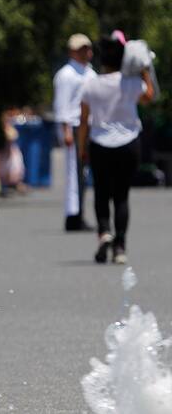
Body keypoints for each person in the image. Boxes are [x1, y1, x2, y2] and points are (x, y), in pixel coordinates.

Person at [78, 36, 154, 264]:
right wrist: (144, 71)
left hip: (100, 144)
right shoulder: (130, 83)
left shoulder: (91, 84)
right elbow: (149, 96)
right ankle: (120, 246)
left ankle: (104, 232)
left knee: (101, 191)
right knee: (121, 195)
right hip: (129, 143)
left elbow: (84, 120)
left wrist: (83, 147)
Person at [53, 34, 97, 231]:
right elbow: (62, 105)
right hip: (74, 125)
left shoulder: (90, 72)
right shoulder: (67, 74)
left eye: (87, 48)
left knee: (83, 173)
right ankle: (72, 215)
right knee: (74, 172)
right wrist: (66, 131)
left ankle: (79, 212)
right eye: (81, 49)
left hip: (89, 126)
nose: (86, 52)